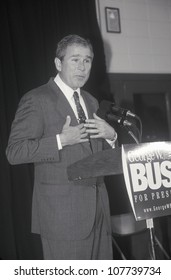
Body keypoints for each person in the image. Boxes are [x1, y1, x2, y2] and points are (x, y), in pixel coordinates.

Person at [6, 34, 117, 260]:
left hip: (99, 215)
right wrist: (60, 140)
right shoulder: (37, 99)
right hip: (62, 218)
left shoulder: (91, 101)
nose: (82, 67)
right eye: (75, 60)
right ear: (58, 63)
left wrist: (111, 136)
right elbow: (14, 152)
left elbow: (97, 157)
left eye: (87, 60)